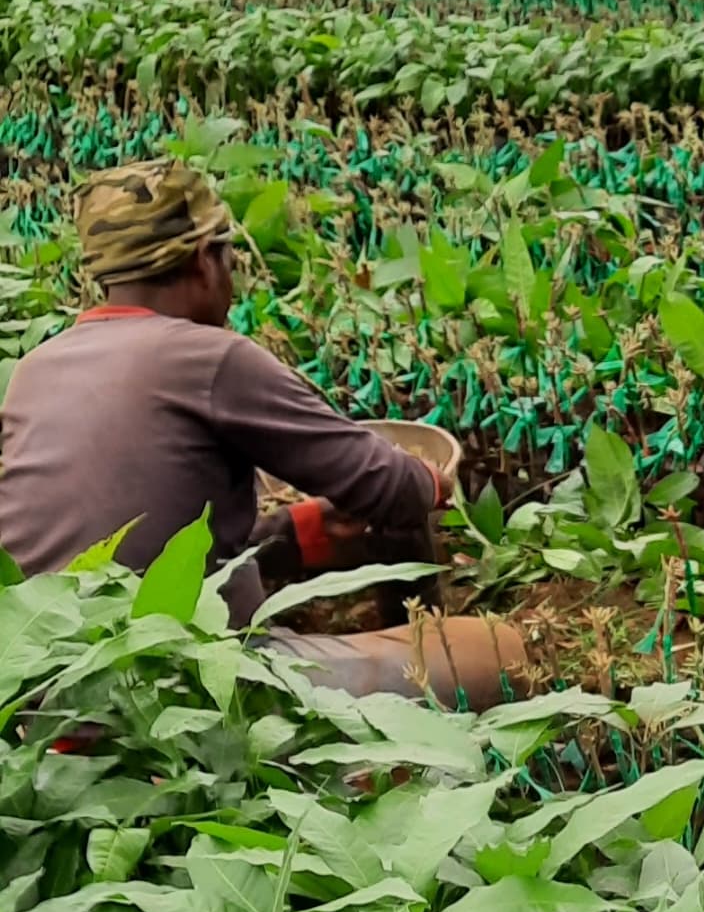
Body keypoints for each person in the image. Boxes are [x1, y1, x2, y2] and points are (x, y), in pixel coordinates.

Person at [0, 159, 441, 624]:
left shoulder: (34, 369)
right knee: (479, 652)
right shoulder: (213, 359)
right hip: (162, 671)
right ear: (204, 260)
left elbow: (138, 543)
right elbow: (391, 488)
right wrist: (432, 480)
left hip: (32, 662)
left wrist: (298, 530)